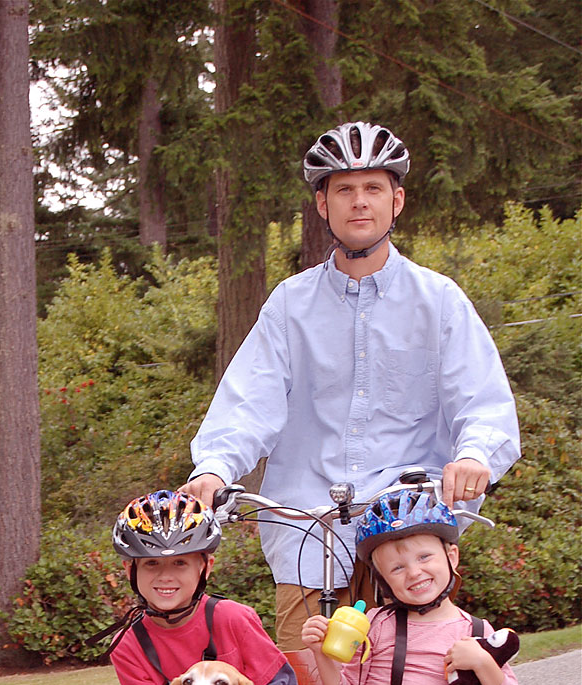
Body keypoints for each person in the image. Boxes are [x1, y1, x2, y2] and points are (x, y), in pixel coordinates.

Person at [184, 120, 521, 649]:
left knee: (418, 683)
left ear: (397, 200)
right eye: (343, 189)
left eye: (373, 188)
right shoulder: (290, 304)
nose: (358, 202)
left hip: (407, 532)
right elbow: (250, 401)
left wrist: (475, 455)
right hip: (307, 533)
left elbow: (482, 401)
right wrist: (214, 470)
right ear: (322, 205)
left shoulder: (439, 300)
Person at [295, 488, 524, 685]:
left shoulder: (476, 632)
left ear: (451, 556)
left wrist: (483, 662)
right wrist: (321, 654)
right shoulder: (377, 622)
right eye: (397, 568)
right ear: (383, 580)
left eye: (425, 557)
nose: (414, 573)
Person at [109, 489, 305, 685]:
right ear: (129, 570)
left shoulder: (232, 618)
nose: (165, 577)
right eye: (150, 564)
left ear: (205, 567)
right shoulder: (127, 645)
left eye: (180, 564)